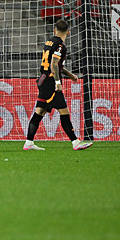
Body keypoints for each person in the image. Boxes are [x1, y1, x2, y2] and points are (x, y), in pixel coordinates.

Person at [24, 19, 93, 151]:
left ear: (55, 30)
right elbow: (54, 64)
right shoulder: (60, 46)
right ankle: (75, 142)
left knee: (39, 112)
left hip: (43, 80)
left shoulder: (49, 43)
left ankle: (28, 142)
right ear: (68, 32)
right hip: (51, 83)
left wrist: (70, 75)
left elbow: (56, 65)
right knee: (64, 112)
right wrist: (57, 83)